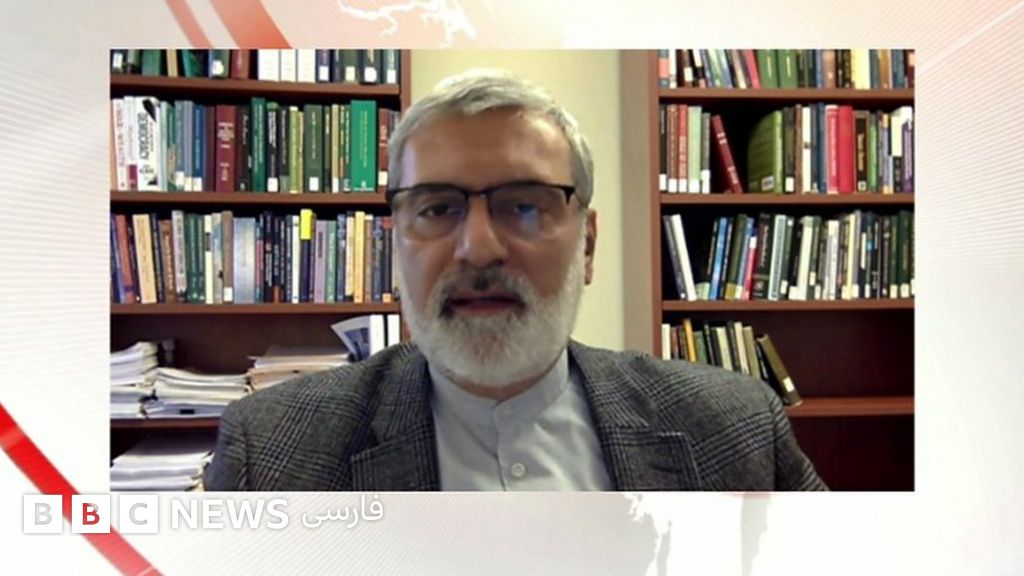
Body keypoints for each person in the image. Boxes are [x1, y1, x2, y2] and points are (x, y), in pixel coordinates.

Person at [204, 70, 826, 491]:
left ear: (587, 244)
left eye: (524, 205)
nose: (478, 248)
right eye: (437, 208)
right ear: (396, 245)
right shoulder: (274, 454)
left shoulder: (736, 430)